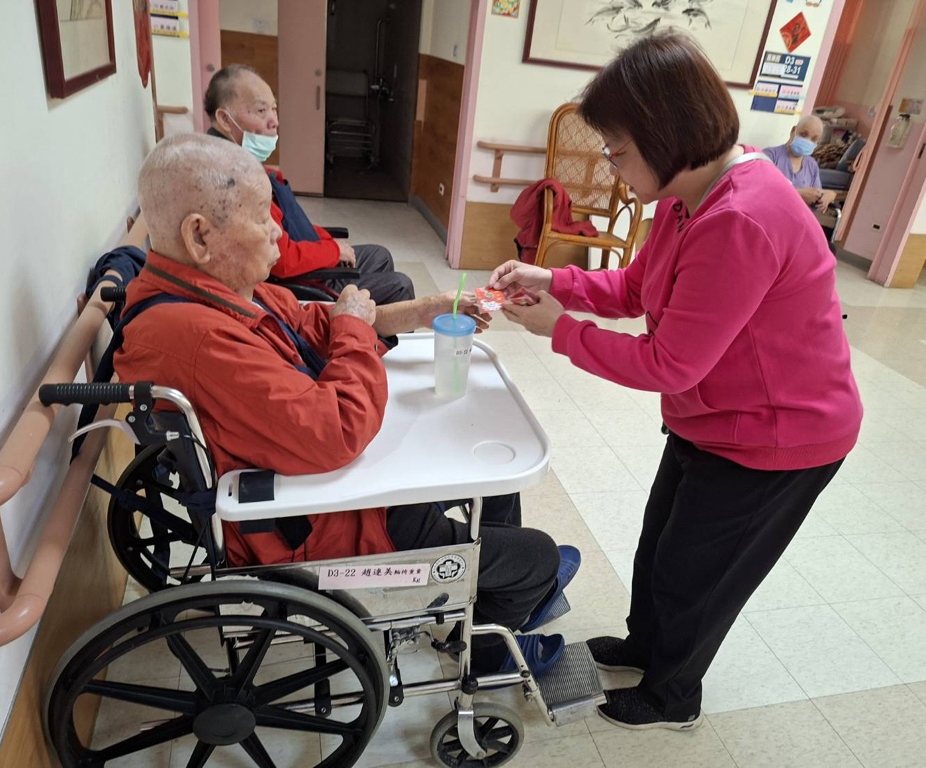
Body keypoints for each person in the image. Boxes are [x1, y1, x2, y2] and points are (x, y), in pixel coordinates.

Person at [489, 33, 862, 730]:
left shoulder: (741, 217)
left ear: (668, 137)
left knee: (700, 575)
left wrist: (559, 330)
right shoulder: (684, 197)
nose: (613, 165)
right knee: (660, 550)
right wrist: (556, 279)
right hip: (713, 414)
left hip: (779, 434)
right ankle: (645, 647)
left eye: (619, 150)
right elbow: (638, 288)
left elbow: (669, 363)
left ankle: (673, 695)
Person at [116, 133, 579, 674]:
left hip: (318, 487)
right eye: (262, 217)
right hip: (320, 523)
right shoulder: (199, 338)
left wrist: (422, 309)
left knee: (494, 483)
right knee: (537, 556)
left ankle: (484, 596)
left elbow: (314, 323)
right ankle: (489, 654)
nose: (277, 231)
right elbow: (337, 431)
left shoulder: (214, 290)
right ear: (200, 235)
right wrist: (356, 330)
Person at [204, 64, 415, 307]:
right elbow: (280, 260)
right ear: (224, 119)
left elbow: (292, 224)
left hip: (308, 259)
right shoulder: (235, 182)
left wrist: (328, 243)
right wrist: (333, 251)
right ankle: (357, 322)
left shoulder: (246, 163)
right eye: (261, 111)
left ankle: (370, 324)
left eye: (274, 109)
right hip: (304, 281)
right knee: (400, 285)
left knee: (380, 255)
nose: (274, 121)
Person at [764, 114, 838, 213]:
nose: (807, 140)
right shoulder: (770, 156)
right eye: (803, 134)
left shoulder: (811, 165)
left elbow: (815, 197)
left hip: (798, 218)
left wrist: (829, 195)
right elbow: (761, 191)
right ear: (793, 131)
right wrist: (798, 194)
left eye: (814, 139)